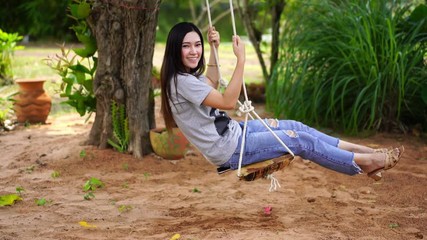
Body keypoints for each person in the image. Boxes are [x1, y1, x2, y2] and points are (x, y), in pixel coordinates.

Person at [160, 22, 403, 181]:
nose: (194, 51)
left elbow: (211, 83)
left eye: (197, 45)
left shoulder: (185, 76)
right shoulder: (180, 82)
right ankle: (367, 162)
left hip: (236, 133)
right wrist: (241, 60)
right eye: (186, 46)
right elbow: (227, 101)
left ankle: (365, 152)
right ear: (174, 49)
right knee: (300, 141)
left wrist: (213, 48)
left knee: (297, 127)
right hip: (230, 149)